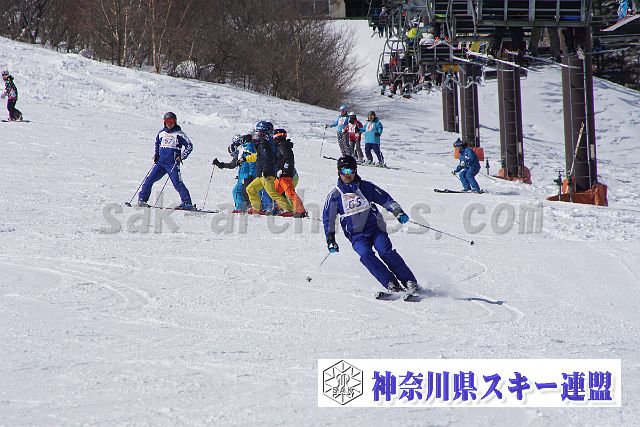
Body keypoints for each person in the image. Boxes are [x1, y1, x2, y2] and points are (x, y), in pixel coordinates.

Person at [322, 155, 420, 294]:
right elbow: (328, 219)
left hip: (376, 229)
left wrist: (398, 212)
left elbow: (385, 199)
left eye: (350, 171)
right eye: (344, 171)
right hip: (357, 236)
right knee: (366, 255)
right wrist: (330, 239)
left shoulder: (366, 187)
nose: (347, 175)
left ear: (355, 171)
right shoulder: (334, 195)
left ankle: (409, 281)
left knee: (385, 252)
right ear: (339, 172)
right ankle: (390, 283)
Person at [138, 112, 194, 209]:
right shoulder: (161, 133)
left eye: (171, 121)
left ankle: (187, 203)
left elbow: (189, 146)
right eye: (167, 121)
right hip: (160, 164)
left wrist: (182, 156)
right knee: (149, 179)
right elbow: (157, 144)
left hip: (172, 164)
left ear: (175, 122)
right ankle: (142, 199)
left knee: (177, 183)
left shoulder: (179, 134)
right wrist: (157, 155)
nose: (169, 123)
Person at [246, 121, 293, 216]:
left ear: (263, 133)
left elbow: (268, 158)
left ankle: (288, 209)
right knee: (250, 188)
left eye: (258, 132)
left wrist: (265, 171)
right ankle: (256, 208)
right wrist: (245, 159)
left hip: (266, 174)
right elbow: (259, 157)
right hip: (262, 174)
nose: (256, 135)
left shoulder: (265, 144)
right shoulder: (264, 143)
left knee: (272, 193)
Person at [212, 133, 256, 213]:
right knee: (240, 191)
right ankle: (245, 207)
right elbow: (235, 163)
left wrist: (251, 174)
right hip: (244, 174)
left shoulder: (246, 149)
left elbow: (249, 162)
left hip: (246, 174)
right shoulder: (244, 149)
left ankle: (243, 208)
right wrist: (221, 164)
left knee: (240, 191)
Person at [273, 128, 307, 218]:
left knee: (290, 192)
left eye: (274, 135)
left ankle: (300, 210)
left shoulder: (283, 146)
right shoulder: (282, 146)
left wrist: (284, 170)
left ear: (277, 136)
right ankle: (282, 208)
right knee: (275, 191)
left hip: (285, 174)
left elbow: (289, 159)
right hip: (281, 175)